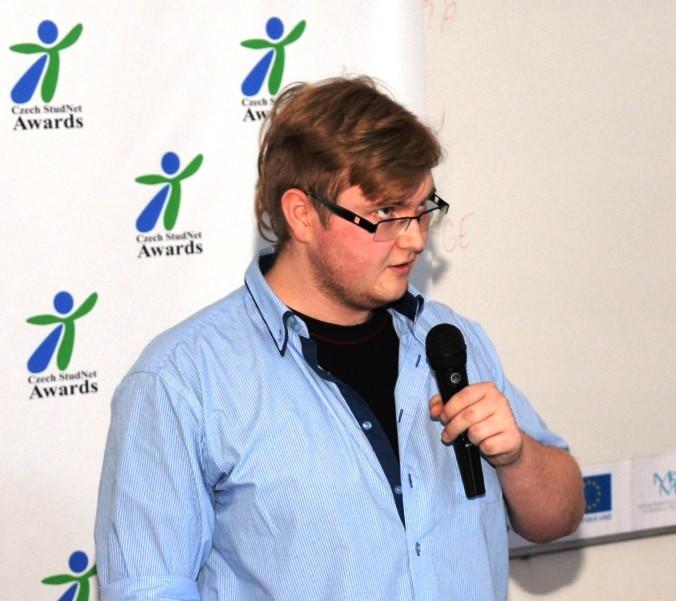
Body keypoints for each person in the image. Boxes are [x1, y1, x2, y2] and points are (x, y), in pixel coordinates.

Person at [95, 76, 584, 601]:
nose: (415, 239)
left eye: (423, 209)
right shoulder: (182, 380)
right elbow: (147, 588)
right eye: (386, 214)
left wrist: (516, 457)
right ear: (302, 215)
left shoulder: (451, 340)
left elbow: (559, 517)